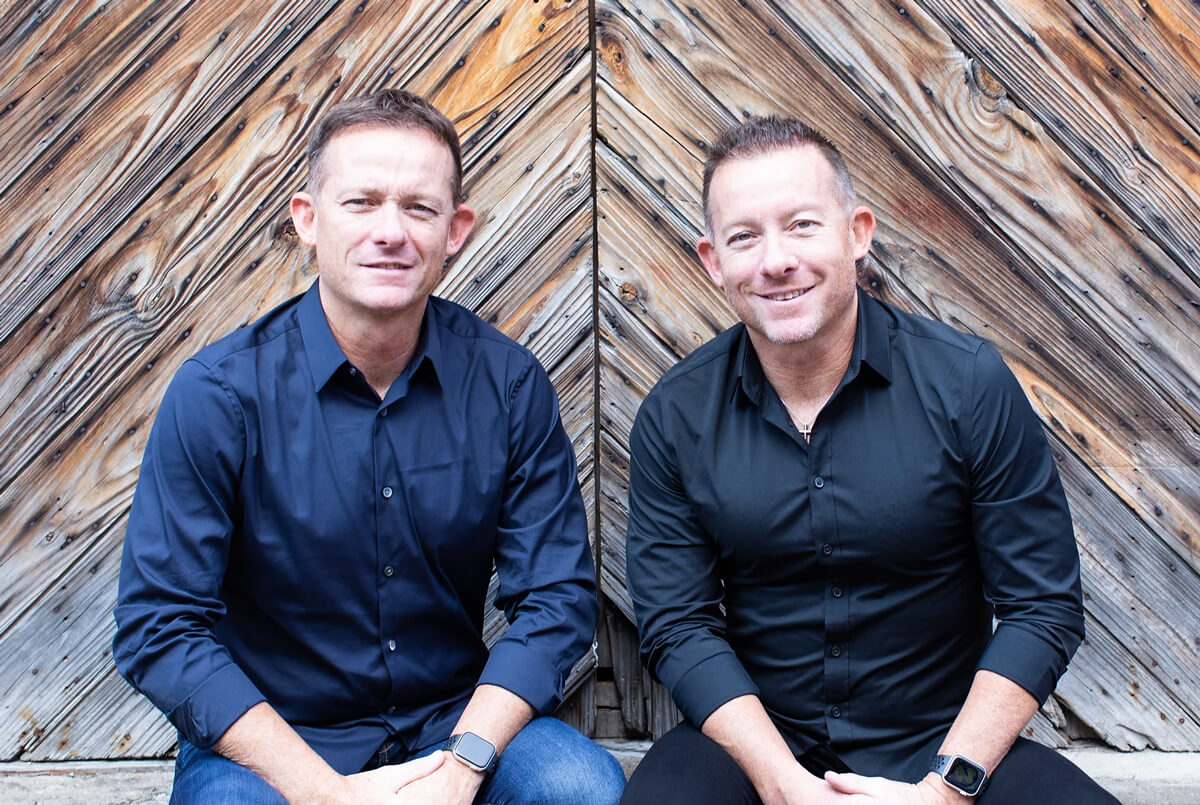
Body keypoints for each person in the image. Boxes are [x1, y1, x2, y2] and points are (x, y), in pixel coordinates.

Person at [113, 89, 625, 804]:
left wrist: (463, 765)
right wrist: (326, 794)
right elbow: (159, 625)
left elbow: (556, 597)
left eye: (419, 207)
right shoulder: (219, 394)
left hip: (452, 721)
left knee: (578, 788)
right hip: (274, 742)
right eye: (361, 203)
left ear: (456, 229)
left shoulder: (507, 385)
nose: (391, 231)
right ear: (307, 219)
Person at [620, 116, 1116, 804]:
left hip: (945, 744)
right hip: (758, 749)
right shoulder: (676, 415)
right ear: (713, 261)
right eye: (744, 237)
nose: (775, 260)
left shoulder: (967, 384)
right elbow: (678, 623)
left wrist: (945, 789)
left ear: (857, 233)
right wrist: (784, 784)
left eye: (801, 225)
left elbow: (1042, 606)